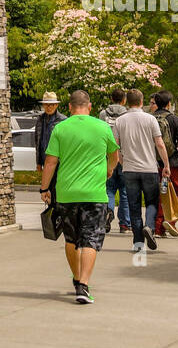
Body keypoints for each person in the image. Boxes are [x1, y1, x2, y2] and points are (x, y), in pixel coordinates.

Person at [39, 89, 118, 304]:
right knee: (91, 240)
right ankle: (83, 285)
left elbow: (50, 162)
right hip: (95, 194)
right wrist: (109, 170)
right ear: (90, 107)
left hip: (66, 194)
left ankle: (76, 278)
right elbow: (114, 155)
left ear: (70, 108)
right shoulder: (102, 127)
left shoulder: (60, 128)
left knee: (71, 239)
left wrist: (44, 188)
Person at [112, 88, 170, 253]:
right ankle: (150, 227)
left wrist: (122, 162)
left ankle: (138, 242)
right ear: (142, 101)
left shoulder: (120, 121)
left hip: (130, 169)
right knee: (152, 202)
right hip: (149, 168)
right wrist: (166, 165)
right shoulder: (150, 119)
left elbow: (115, 147)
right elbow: (159, 143)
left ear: (127, 101)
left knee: (134, 206)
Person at [152, 90, 178, 238]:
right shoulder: (174, 119)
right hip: (172, 161)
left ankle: (157, 227)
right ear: (168, 104)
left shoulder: (150, 118)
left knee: (158, 194)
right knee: (177, 192)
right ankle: (169, 220)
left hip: (153, 162)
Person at [99, 87, 131, 233]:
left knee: (109, 189)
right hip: (124, 156)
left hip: (107, 156)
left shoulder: (103, 114)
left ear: (111, 99)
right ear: (124, 100)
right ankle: (125, 223)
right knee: (125, 190)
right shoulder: (128, 115)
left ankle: (108, 211)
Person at [35, 93, 66, 202]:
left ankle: (57, 212)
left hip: (59, 161)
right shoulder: (40, 119)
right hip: (45, 160)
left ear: (56, 105)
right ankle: (52, 212)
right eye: (47, 105)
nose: (49, 107)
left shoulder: (63, 120)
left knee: (57, 189)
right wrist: (38, 162)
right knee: (47, 190)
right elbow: (38, 141)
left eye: (52, 105)